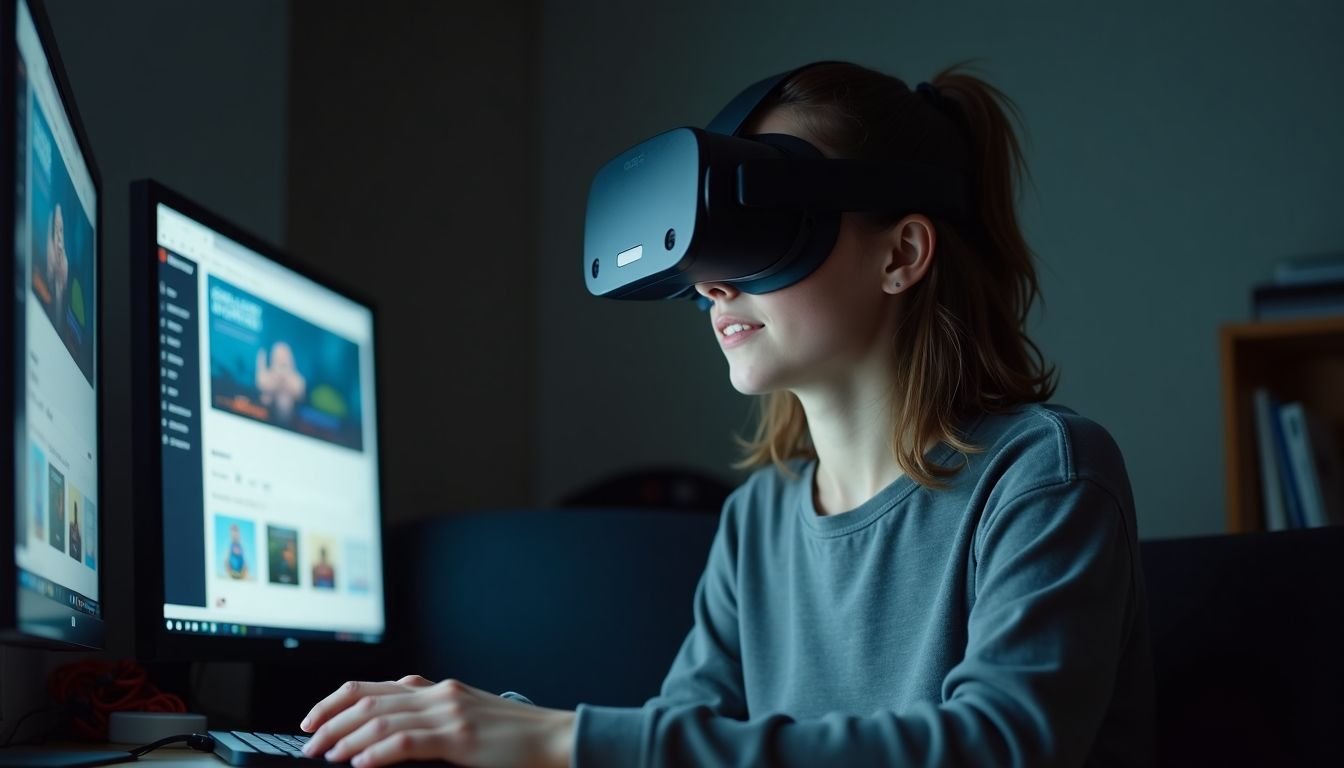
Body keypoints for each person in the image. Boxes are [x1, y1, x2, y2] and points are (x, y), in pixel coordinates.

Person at [297, 61, 1154, 767]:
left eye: (764, 224)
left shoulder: (1043, 474)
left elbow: (1001, 748)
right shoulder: (759, 519)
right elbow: (684, 745)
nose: (712, 282)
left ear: (902, 254)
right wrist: (479, 733)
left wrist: (559, 738)